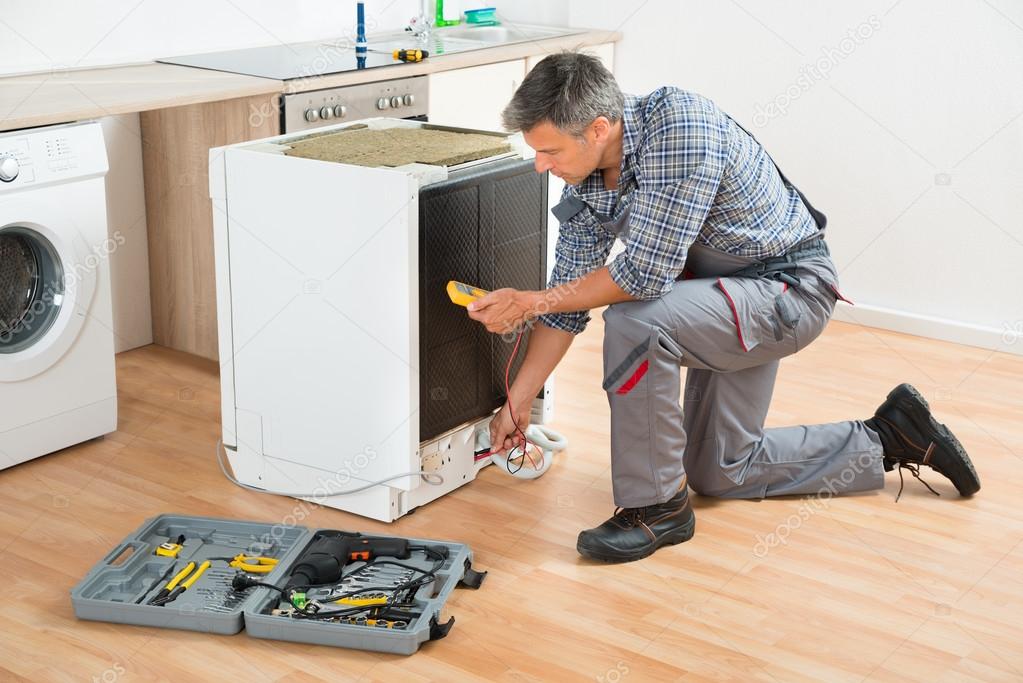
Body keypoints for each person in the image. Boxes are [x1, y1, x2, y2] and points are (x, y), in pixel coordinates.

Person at [466, 52, 980, 563]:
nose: (540, 165)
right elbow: (567, 298)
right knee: (721, 470)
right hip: (717, 296)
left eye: (549, 150)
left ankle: (655, 508)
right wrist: (519, 400)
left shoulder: (679, 128)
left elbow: (642, 276)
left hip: (785, 292)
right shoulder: (583, 179)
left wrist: (529, 302)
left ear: (598, 129)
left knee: (635, 322)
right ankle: (891, 436)